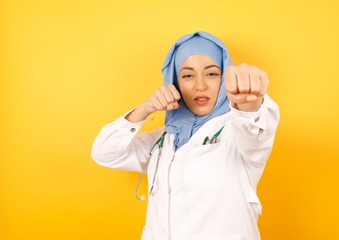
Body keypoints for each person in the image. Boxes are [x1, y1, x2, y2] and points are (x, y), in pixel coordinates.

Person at [91, 31, 280, 240]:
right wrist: (145, 108)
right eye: (188, 75)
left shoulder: (236, 133)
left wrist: (248, 100)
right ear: (174, 82)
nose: (200, 85)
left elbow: (253, 128)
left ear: (225, 78)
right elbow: (104, 152)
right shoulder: (162, 139)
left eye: (212, 73)